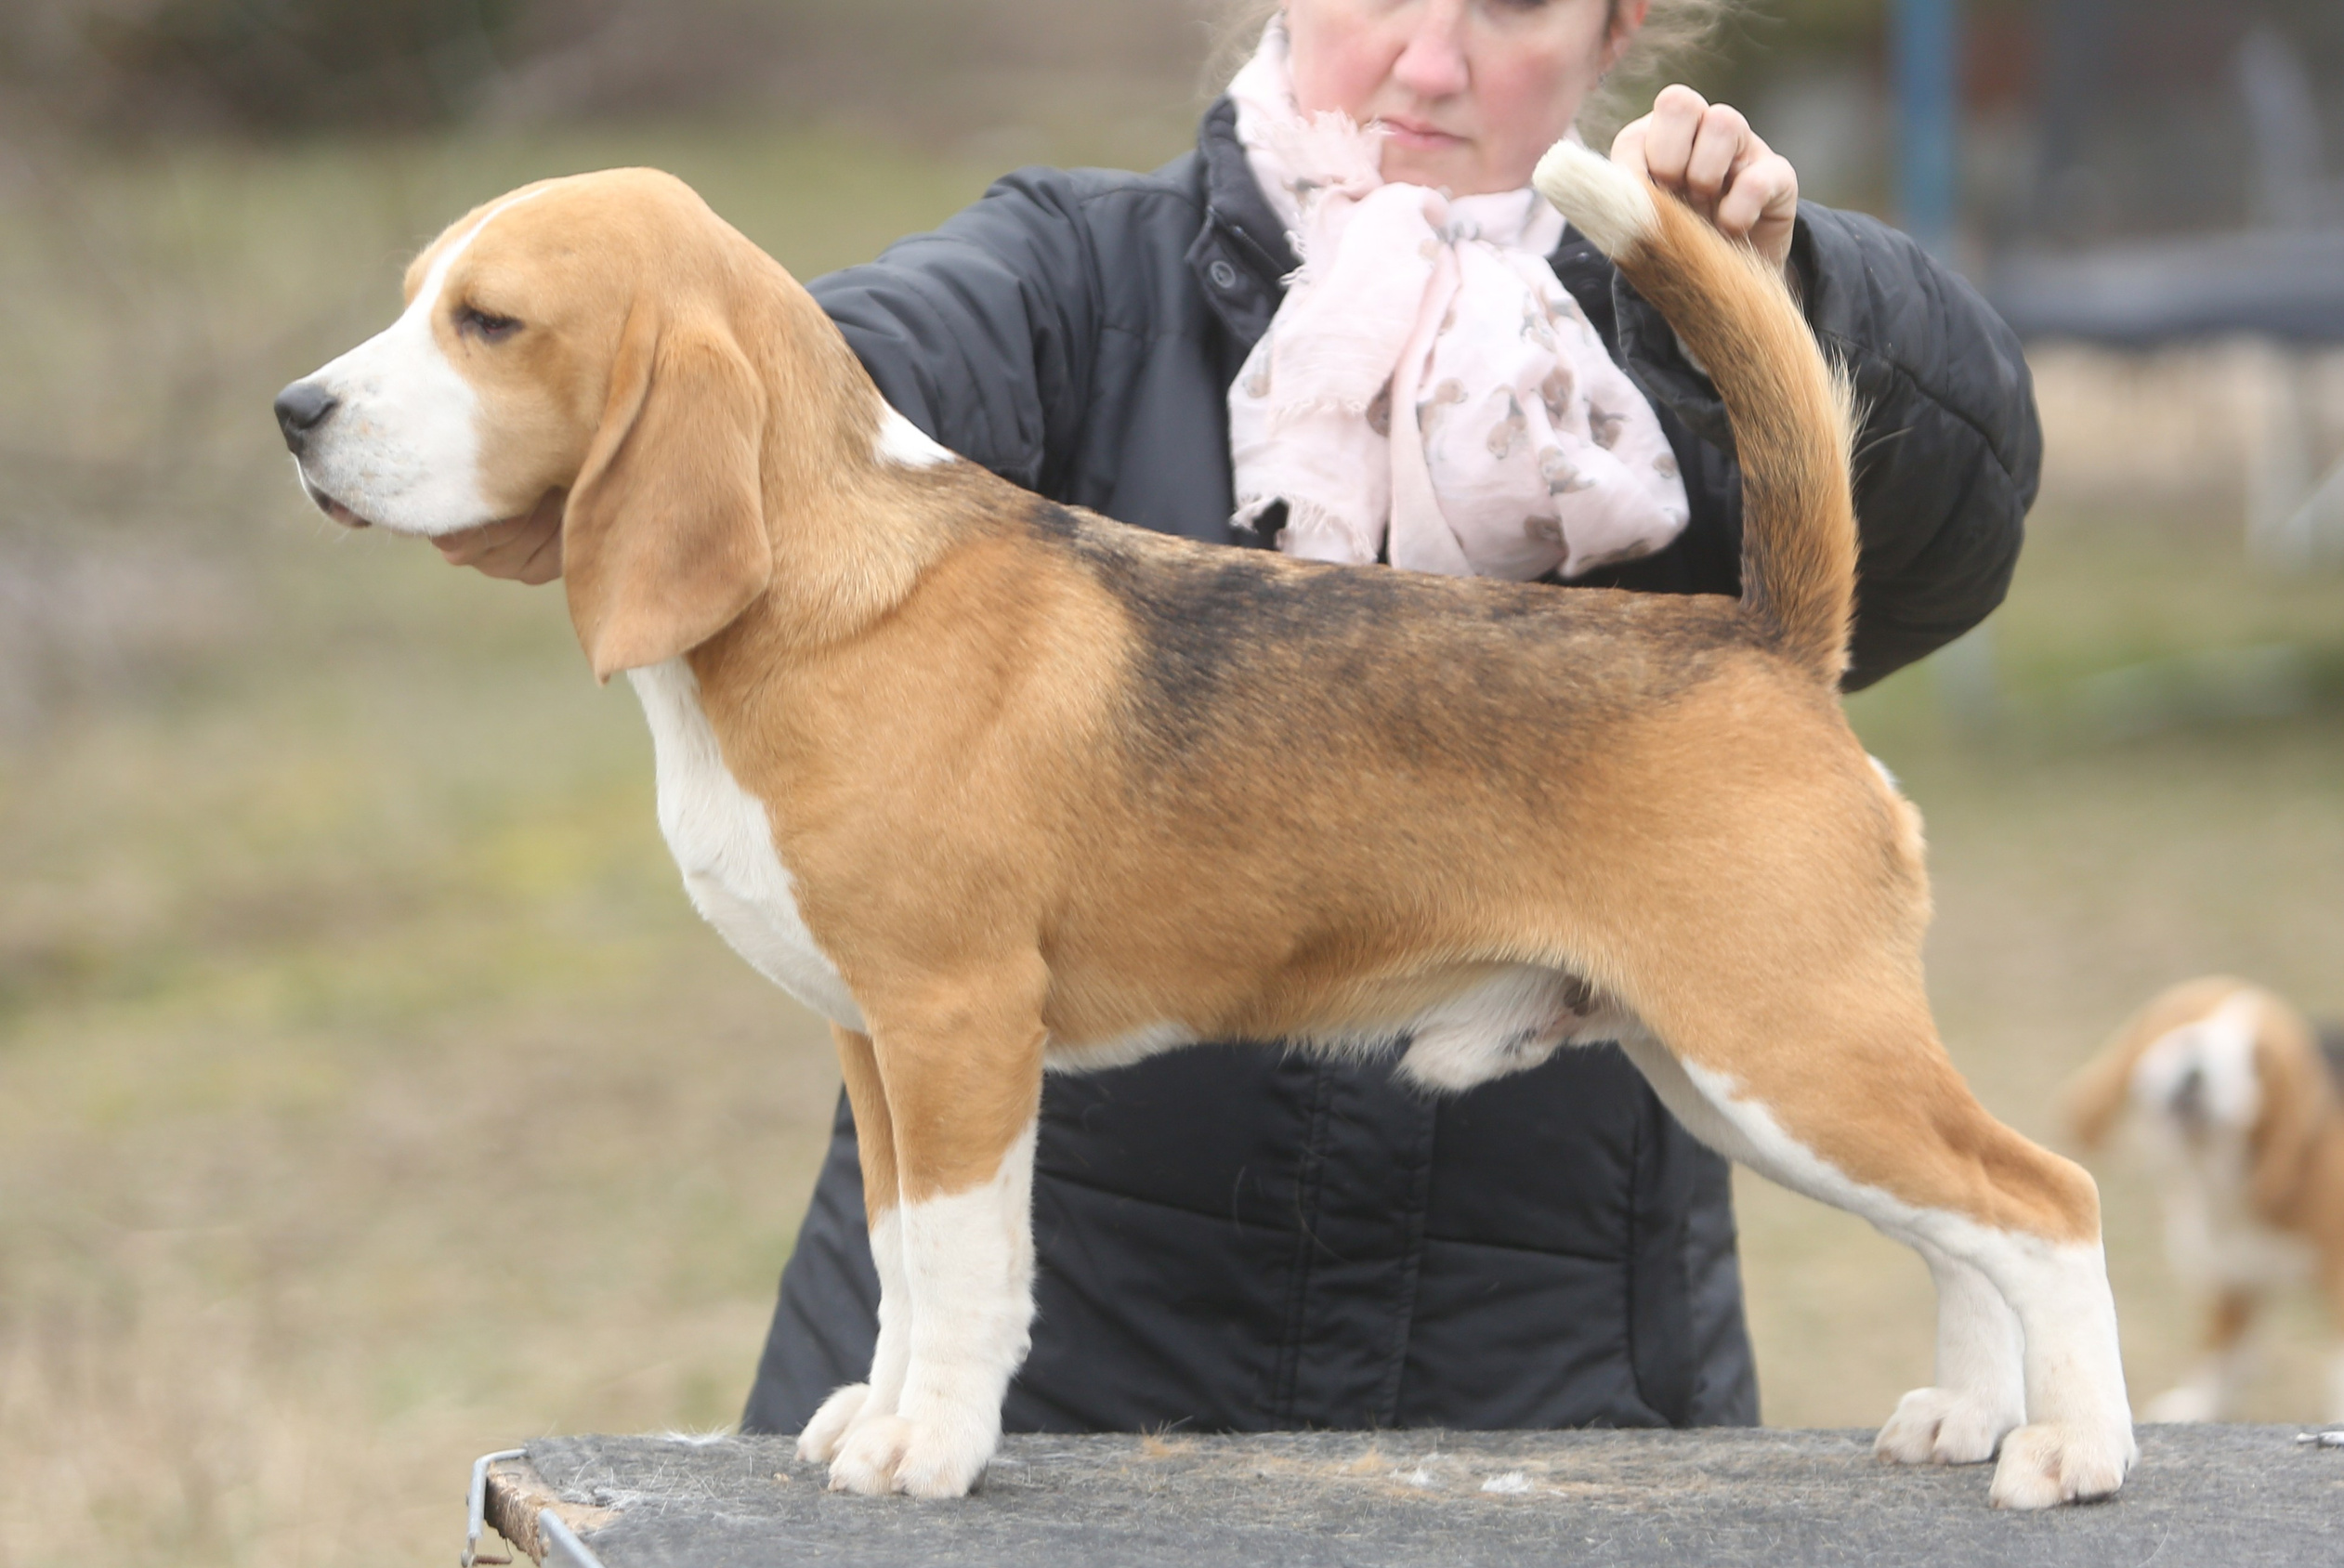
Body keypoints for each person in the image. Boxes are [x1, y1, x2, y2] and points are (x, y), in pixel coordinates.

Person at [439, 0, 2037, 1438]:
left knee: (1869, 1122)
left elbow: (1959, 510)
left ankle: (2048, 1303)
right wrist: (621, 432)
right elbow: (843, 374)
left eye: (1510, 4)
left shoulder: (1638, 348)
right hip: (1087, 1379)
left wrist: (1782, 292)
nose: (1428, 54)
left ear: (1622, 31)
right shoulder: (1073, 275)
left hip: (1549, 1368)